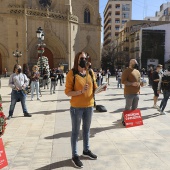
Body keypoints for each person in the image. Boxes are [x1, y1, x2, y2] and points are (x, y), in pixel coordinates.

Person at [65, 51, 106, 168]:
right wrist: (80, 92)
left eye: (85, 58)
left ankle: (86, 150)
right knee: (75, 132)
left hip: (89, 106)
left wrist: (101, 89)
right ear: (77, 60)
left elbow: (94, 89)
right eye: (81, 58)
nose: (84, 59)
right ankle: (75, 155)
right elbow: (68, 92)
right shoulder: (72, 74)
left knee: (87, 130)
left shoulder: (90, 72)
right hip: (76, 107)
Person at [121, 59, 143, 126]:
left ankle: (132, 121)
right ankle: (123, 120)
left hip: (136, 92)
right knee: (128, 107)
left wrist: (141, 83)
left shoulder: (137, 71)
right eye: (134, 63)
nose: (136, 64)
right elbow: (123, 81)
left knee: (134, 108)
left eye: (136, 63)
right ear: (130, 63)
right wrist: (131, 83)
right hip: (129, 92)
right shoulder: (126, 71)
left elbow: (139, 81)